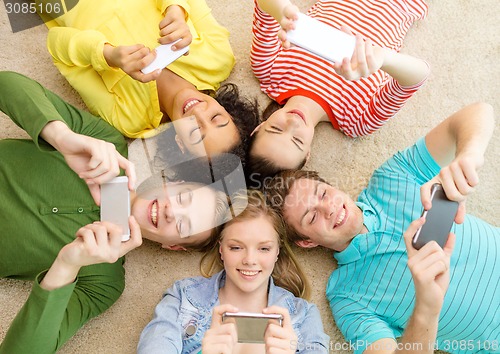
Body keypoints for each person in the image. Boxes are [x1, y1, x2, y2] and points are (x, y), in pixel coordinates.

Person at [0, 71, 230, 353]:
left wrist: (68, 264)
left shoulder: (104, 284)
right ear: (173, 180)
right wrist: (62, 137)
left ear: (173, 247)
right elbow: (5, 84)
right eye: (183, 198)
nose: (172, 211)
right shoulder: (106, 144)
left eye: (183, 225)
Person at [264, 102, 499, 353]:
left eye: (322, 194)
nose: (328, 209)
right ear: (307, 241)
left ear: (333, 186)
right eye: (311, 217)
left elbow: (479, 112)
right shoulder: (346, 296)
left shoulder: (392, 176)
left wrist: (468, 156)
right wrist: (426, 307)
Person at [39, 0, 259, 160]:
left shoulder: (129, 119)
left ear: (180, 144)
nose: (198, 112)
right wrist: (176, 8)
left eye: (194, 132)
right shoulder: (219, 58)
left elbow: (55, 43)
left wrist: (107, 55)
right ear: (228, 111)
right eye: (216, 117)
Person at [247, 0, 431, 184]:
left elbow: (263, 5)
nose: (293, 123)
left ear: (259, 127)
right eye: (297, 140)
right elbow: (418, 76)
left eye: (276, 129)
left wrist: (282, 11)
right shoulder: (358, 121)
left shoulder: (268, 70)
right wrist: (383, 58)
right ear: (308, 153)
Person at [137, 189, 330, 353]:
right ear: (221, 249)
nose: (249, 260)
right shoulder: (182, 297)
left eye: (264, 249)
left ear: (277, 252)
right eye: (236, 248)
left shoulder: (303, 315)